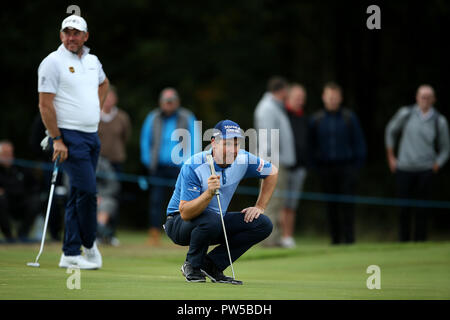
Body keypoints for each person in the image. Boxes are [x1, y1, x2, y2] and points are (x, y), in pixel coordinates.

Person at [164, 120, 277, 283]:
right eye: (227, 144)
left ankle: (211, 265)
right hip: (178, 223)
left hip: (215, 221)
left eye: (237, 144)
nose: (232, 150)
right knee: (212, 219)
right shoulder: (194, 165)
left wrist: (260, 206)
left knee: (262, 224)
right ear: (214, 143)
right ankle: (192, 265)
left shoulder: (243, 159)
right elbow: (185, 212)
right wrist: (208, 194)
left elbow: (272, 172)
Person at [37, 14, 109, 269]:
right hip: (68, 137)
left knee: (79, 193)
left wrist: (94, 110)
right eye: (67, 32)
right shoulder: (52, 63)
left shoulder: (92, 61)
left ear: (85, 36)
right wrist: (56, 139)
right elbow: (44, 105)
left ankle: (70, 251)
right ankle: (88, 244)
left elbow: (104, 84)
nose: (71, 37)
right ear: (61, 35)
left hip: (91, 135)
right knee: (88, 192)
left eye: (76, 33)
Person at [385, 84, 450, 242]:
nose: (425, 100)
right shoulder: (405, 114)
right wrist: (391, 157)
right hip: (404, 168)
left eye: (428, 97)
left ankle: (420, 243)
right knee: (403, 210)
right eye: (422, 96)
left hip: (426, 170)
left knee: (422, 210)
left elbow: (445, 148)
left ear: (433, 99)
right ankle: (403, 243)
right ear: (416, 97)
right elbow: (390, 131)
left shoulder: (439, 121)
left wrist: (436, 165)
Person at [308, 82, 367, 245]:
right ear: (324, 98)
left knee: (347, 205)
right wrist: (315, 167)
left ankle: (350, 240)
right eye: (329, 97)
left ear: (340, 98)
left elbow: (359, 143)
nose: (332, 100)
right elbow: (311, 145)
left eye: (335, 97)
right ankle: (335, 240)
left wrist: (356, 167)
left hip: (347, 167)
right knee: (330, 206)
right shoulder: (316, 120)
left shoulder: (349, 118)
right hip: (325, 169)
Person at [140, 87, 199, 246]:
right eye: (166, 102)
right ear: (161, 103)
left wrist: (189, 163)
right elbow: (146, 141)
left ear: (177, 102)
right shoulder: (153, 118)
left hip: (181, 168)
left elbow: (194, 140)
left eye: (171, 102)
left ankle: (182, 233)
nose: (169, 105)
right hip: (158, 167)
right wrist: (147, 161)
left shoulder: (187, 117)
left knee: (183, 202)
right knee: (156, 201)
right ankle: (154, 233)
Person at [254, 76, 295, 247]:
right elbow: (267, 138)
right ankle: (268, 240)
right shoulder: (268, 108)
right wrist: (270, 165)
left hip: (275, 161)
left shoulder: (274, 107)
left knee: (276, 201)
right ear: (282, 90)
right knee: (271, 199)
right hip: (273, 162)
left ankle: (274, 238)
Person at [280, 84, 309, 248]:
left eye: (302, 98)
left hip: (300, 167)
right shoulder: (282, 115)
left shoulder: (303, 117)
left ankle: (288, 236)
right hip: (284, 166)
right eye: (297, 97)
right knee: (282, 203)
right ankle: (281, 236)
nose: (300, 101)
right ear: (289, 98)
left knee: (292, 204)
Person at [0, 141, 41, 243]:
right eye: (5, 154)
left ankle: (23, 235)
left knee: (35, 201)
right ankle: (9, 237)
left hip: (21, 202)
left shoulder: (21, 168)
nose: (8, 156)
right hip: (5, 202)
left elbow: (34, 186)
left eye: (10, 153)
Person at [98, 85, 131, 173]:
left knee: (115, 186)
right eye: (106, 96)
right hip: (97, 160)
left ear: (116, 99)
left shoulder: (122, 117)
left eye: (111, 97)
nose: (108, 100)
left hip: (116, 161)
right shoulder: (94, 116)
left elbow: (126, 136)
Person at [96, 156, 121, 246]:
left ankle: (98, 235)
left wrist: (100, 196)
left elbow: (114, 185)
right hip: (83, 197)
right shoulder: (76, 161)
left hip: (104, 197)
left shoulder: (103, 163)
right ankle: (106, 234)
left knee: (106, 204)